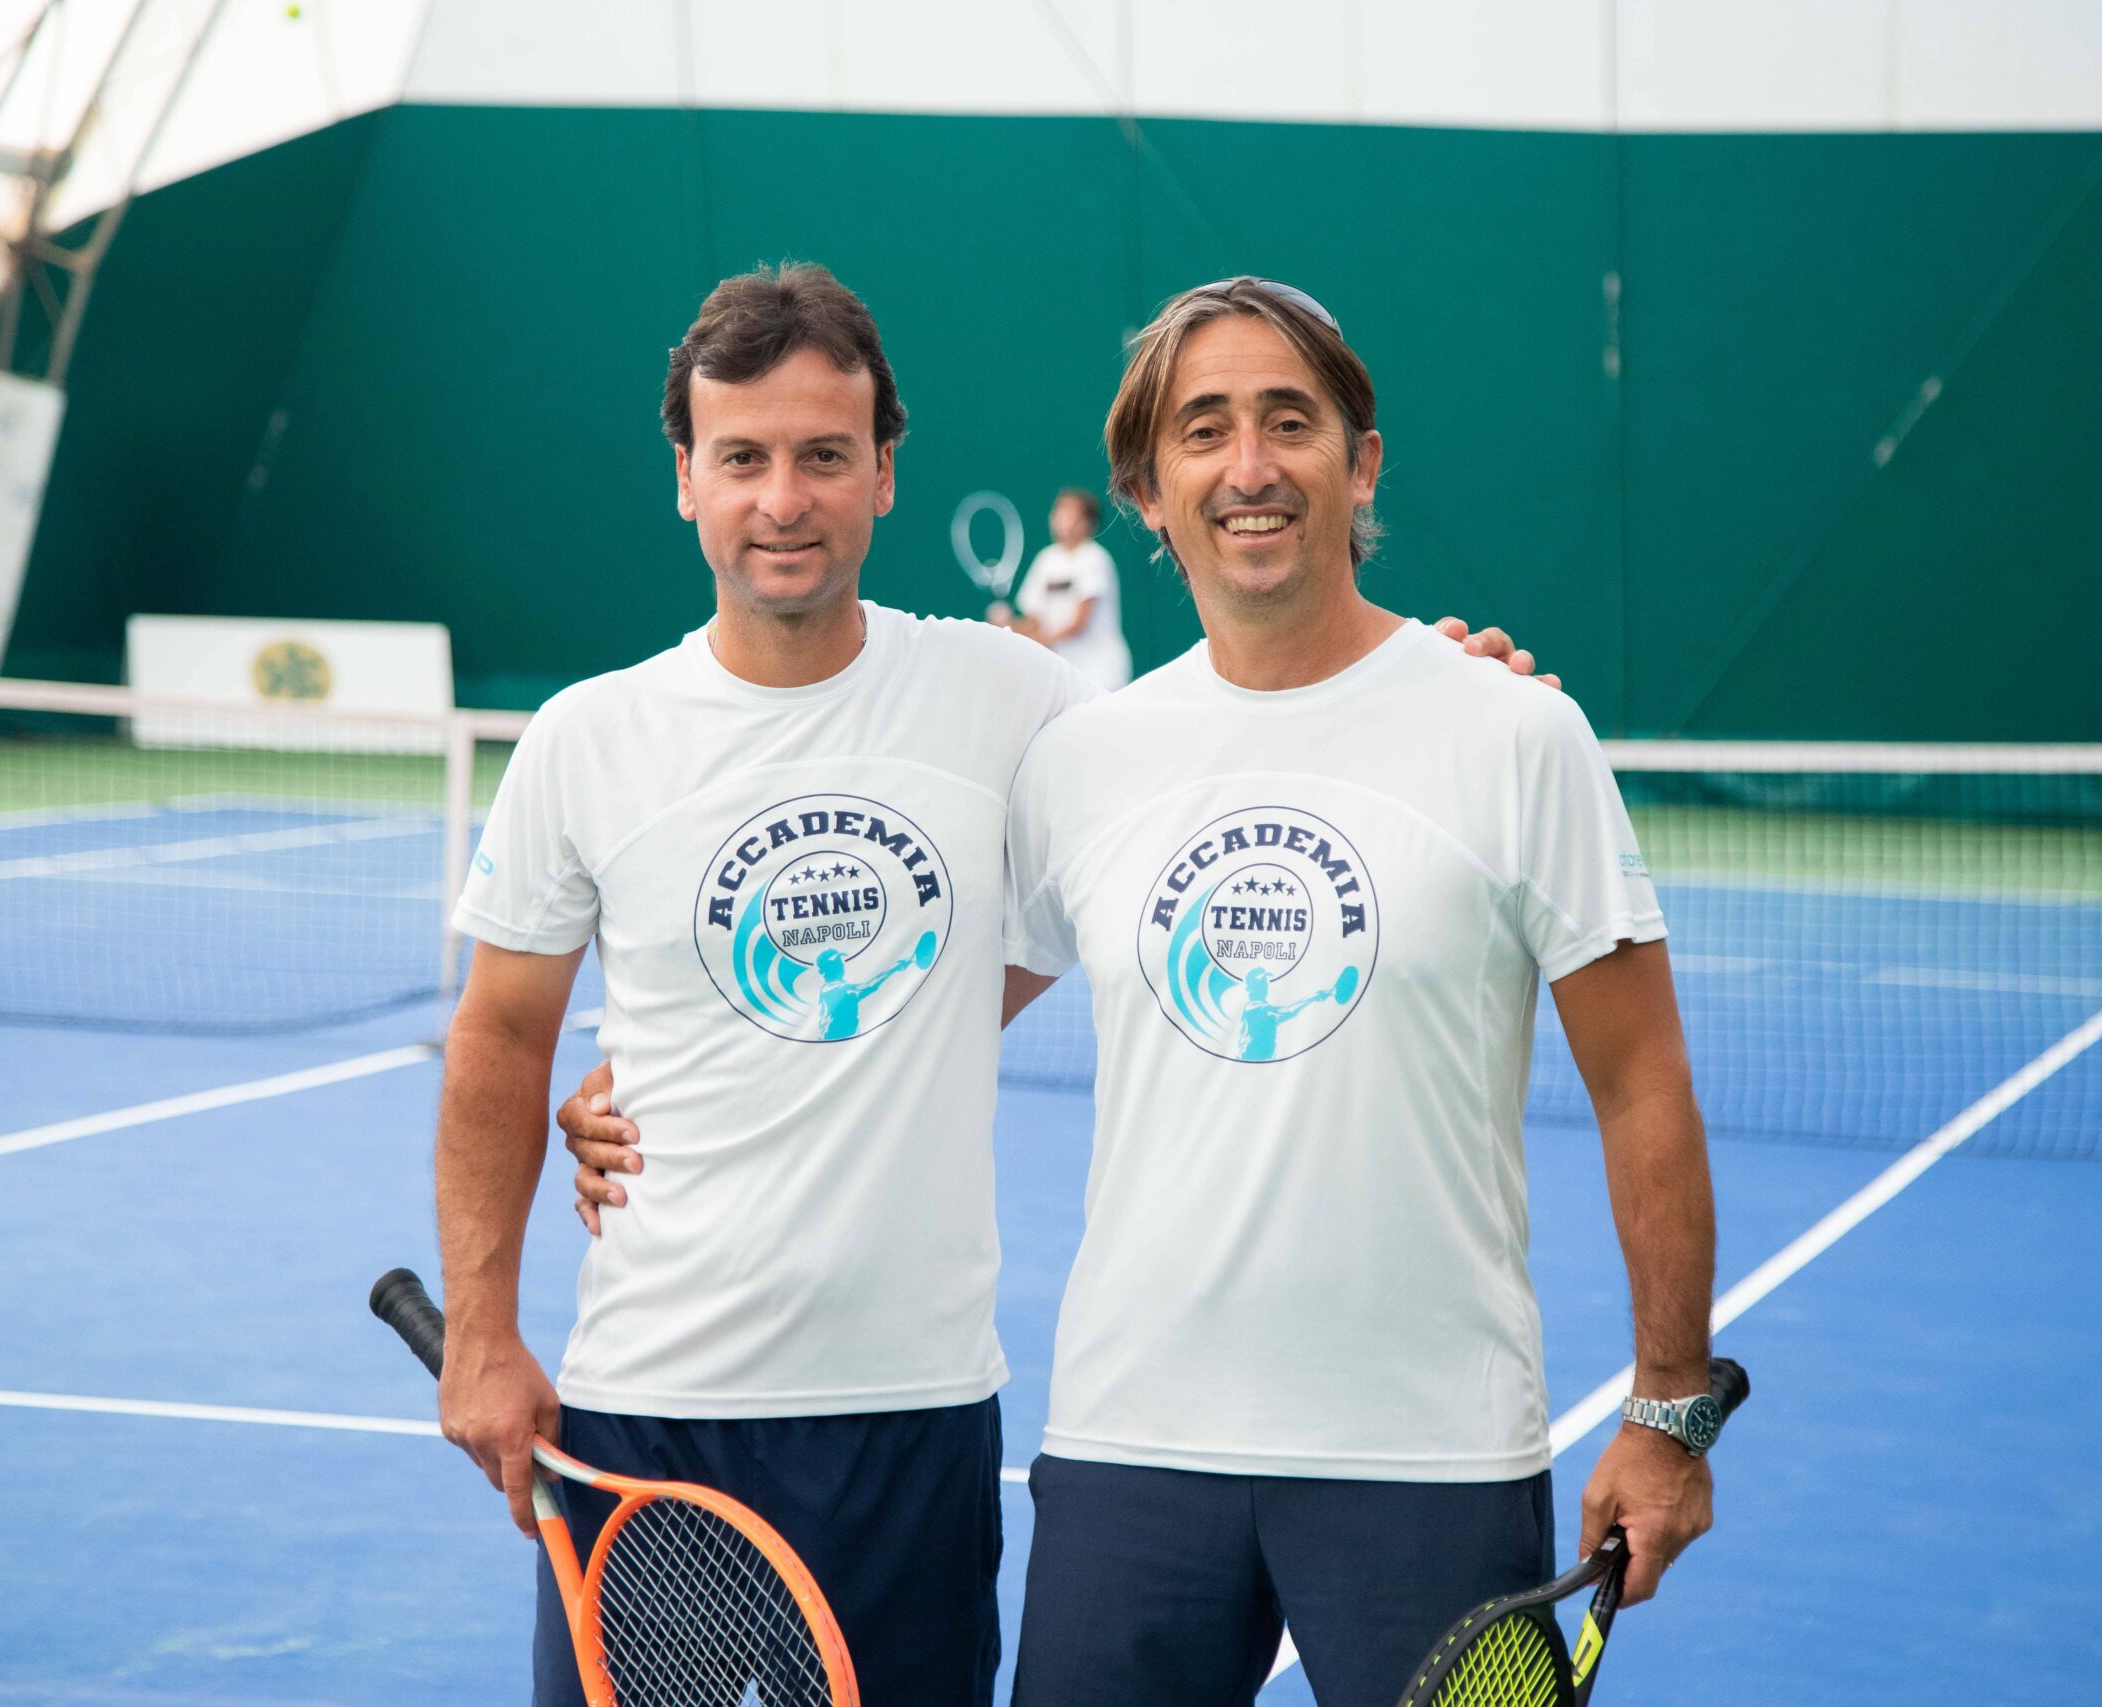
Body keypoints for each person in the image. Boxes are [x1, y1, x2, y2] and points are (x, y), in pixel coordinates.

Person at [442, 262, 1548, 1707]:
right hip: (657, 1406)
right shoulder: (588, 739)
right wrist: (481, 1333)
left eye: (826, 455)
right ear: (686, 477)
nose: (785, 498)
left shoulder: (1011, 702)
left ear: (885, 473)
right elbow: (499, 1036)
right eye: (746, 459)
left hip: (920, 1419)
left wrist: (1439, 685)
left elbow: (1145, 840)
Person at [992, 279, 1722, 1706]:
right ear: (1148, 486)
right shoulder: (1085, 759)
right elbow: (922, 1026)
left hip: (1432, 1461)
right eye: (1205, 431)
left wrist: (1670, 1410)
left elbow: (1642, 1079)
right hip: (1133, 1447)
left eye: (1290, 423)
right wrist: (647, 1100)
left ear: (1361, 458)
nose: (1250, 467)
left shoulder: (1517, 731)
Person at [990, 487, 1133, 690]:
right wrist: (1007, 626)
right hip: (1063, 671)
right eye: (1058, 510)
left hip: (1101, 670)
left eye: (1069, 512)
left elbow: (1078, 623)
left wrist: (1038, 640)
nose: (1060, 518)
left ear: (1087, 523)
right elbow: (1035, 622)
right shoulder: (1045, 560)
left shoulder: (1095, 558)